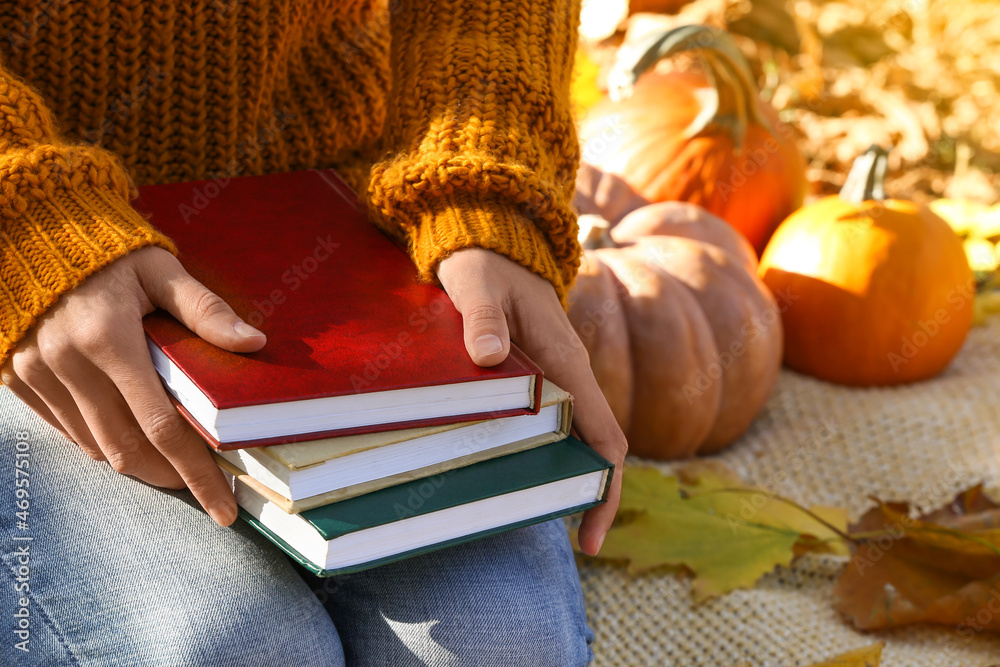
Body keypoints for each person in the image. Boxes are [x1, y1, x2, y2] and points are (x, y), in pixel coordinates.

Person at [0, 1, 627, 664]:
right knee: (243, 645)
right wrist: (25, 222)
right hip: (37, 288)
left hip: (337, 223)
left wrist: (482, 177)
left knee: (500, 637)